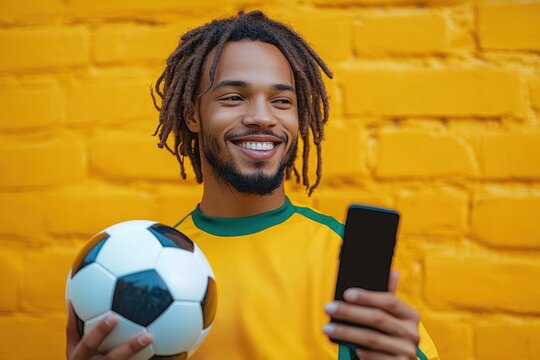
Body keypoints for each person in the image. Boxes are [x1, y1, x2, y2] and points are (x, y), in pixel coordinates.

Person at [66, 10, 439, 360]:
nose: (262, 117)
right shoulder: (146, 265)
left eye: (281, 101)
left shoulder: (338, 253)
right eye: (234, 97)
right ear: (192, 114)